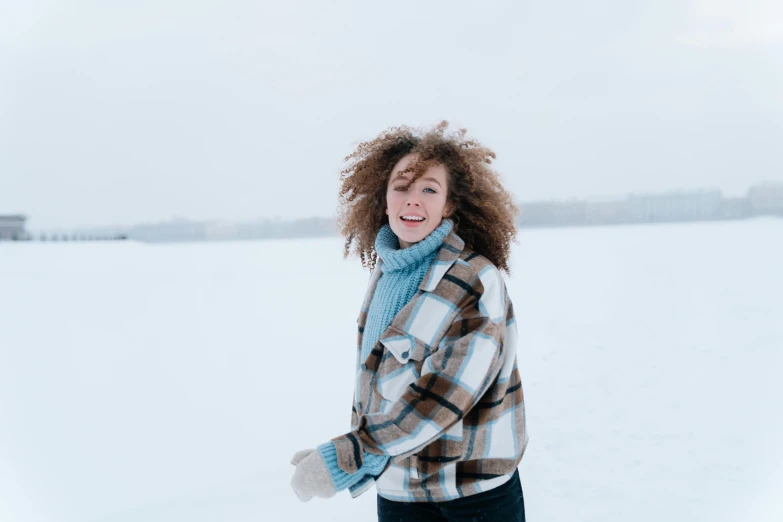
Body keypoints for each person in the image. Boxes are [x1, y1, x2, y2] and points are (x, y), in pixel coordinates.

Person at [290, 121, 529, 521]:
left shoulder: (473, 279)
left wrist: (345, 456)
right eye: (401, 187)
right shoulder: (387, 273)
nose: (412, 200)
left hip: (472, 494)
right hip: (400, 489)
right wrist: (356, 457)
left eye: (429, 189)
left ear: (449, 204)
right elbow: (379, 389)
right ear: (385, 200)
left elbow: (442, 399)